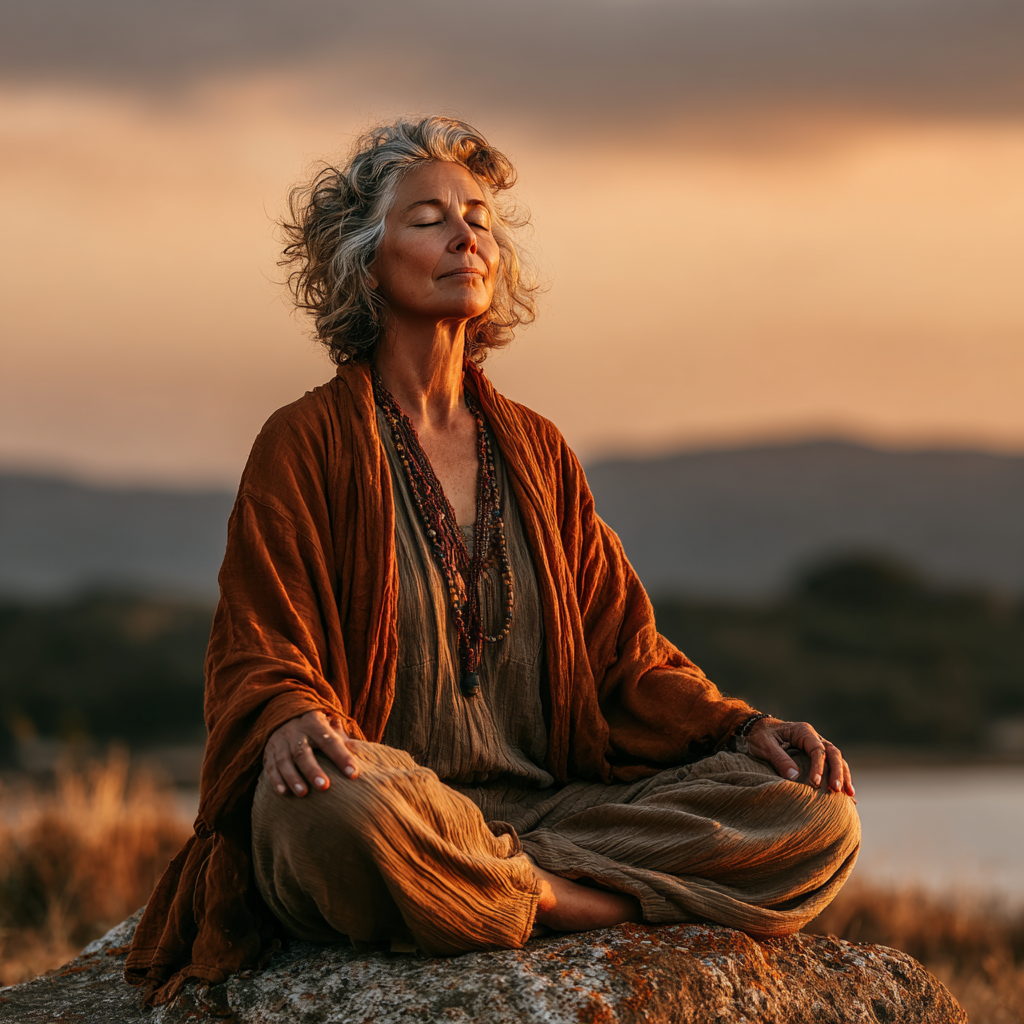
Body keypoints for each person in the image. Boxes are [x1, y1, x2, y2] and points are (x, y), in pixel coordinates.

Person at [126, 116, 859, 1005]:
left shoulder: (538, 452)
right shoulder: (304, 441)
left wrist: (743, 731)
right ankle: (573, 902)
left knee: (814, 815)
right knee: (326, 812)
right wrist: (284, 714)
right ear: (366, 260)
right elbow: (259, 640)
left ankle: (506, 890)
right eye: (428, 218)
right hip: (393, 801)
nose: (466, 235)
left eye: (478, 217)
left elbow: (625, 655)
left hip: (547, 814)